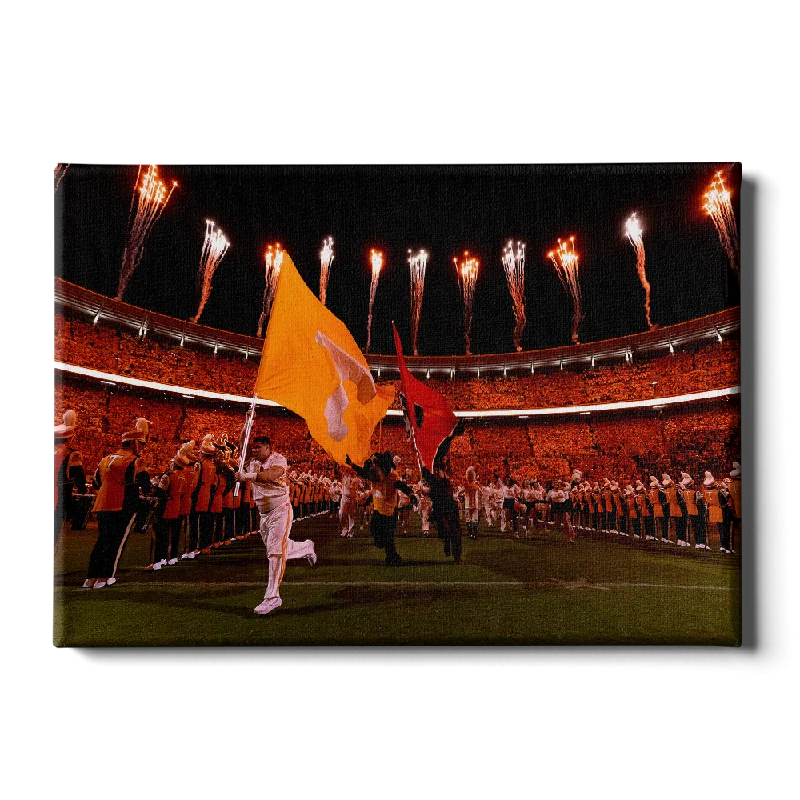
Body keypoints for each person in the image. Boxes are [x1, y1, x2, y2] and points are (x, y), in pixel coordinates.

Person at [236, 434, 317, 615]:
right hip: (263, 514)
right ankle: (306, 547)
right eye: (253, 448)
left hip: (280, 508)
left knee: (274, 553)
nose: (255, 450)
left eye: (258, 447)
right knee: (279, 548)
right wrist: (245, 428)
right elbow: (242, 446)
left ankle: (272, 597)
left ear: (268, 447)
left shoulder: (278, 459)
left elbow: (269, 476)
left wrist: (246, 476)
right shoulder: (251, 459)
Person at [83, 418, 152, 589]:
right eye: (141, 444)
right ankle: (105, 577)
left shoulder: (105, 459)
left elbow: (96, 483)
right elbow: (145, 484)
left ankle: (90, 578)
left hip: (103, 504)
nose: (142, 447)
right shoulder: (135, 460)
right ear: (134, 444)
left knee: (102, 540)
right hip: (123, 504)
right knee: (116, 542)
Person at [347, 450, 416, 566]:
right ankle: (390, 554)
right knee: (376, 534)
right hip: (378, 511)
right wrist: (351, 464)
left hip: (390, 513)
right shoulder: (373, 476)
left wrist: (411, 495)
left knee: (389, 539)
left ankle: (393, 558)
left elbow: (402, 486)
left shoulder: (392, 477)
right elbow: (362, 472)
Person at [422, 457, 463, 563]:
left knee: (455, 533)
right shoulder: (434, 481)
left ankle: (456, 555)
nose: (436, 472)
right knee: (443, 532)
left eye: (437, 470)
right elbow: (425, 473)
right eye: (434, 470)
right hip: (439, 510)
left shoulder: (446, 482)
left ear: (442, 471)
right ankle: (447, 544)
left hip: (449, 510)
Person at [701, 470, 732, 553]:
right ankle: (727, 547)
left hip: (714, 511)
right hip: (722, 510)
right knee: (726, 529)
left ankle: (723, 545)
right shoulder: (718, 491)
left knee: (720, 529)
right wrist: (726, 488)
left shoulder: (705, 491)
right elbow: (727, 497)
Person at [461, 466, 482, 540]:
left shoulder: (465, 485)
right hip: (475, 505)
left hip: (467, 505)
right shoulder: (477, 486)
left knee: (468, 520)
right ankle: (475, 534)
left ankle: (470, 534)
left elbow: (459, 493)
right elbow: (481, 494)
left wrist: (461, 497)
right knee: (475, 520)